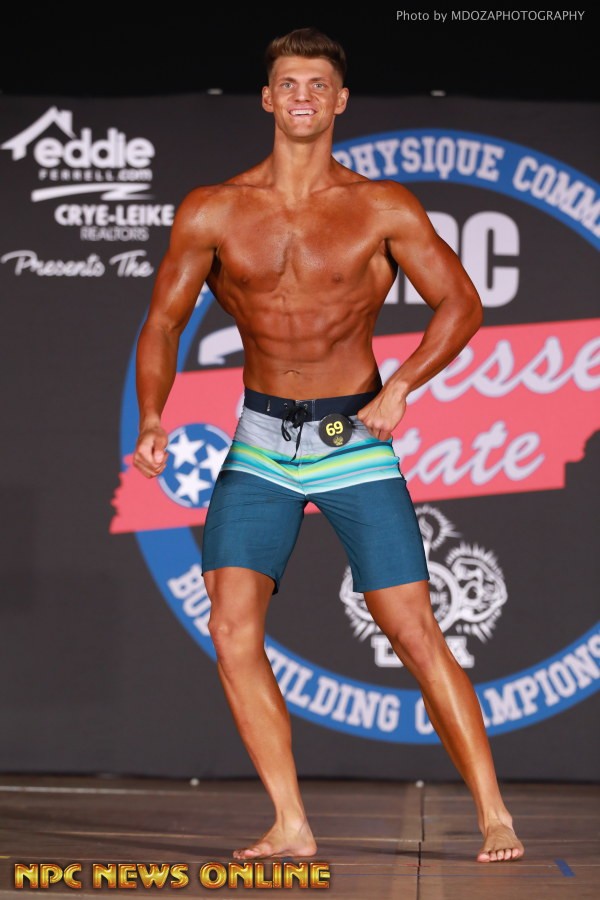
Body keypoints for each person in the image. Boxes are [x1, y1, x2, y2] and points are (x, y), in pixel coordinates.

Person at [132, 26, 525, 864]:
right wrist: (154, 415)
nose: (303, 95)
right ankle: (291, 822)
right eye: (288, 82)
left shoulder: (381, 207)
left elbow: (461, 303)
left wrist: (402, 384)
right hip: (260, 441)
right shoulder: (212, 209)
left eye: (317, 83)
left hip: (354, 437)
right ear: (267, 98)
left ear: (340, 100)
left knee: (413, 629)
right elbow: (163, 321)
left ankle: (495, 814)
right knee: (231, 628)